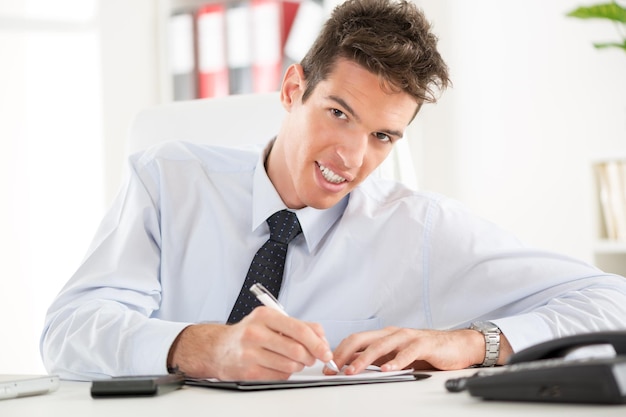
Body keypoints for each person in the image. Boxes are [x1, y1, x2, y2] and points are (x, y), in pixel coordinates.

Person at [41, 0, 626, 381]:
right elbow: (67, 331)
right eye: (339, 113)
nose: (352, 157)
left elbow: (611, 301)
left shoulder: (419, 230)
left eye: (382, 136)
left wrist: (475, 343)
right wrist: (200, 346)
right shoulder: (169, 179)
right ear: (294, 87)